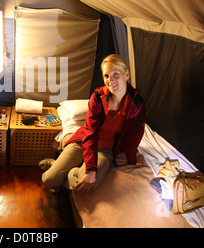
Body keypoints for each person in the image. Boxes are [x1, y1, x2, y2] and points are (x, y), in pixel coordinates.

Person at [41, 54, 146, 194]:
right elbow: (90, 133)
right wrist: (90, 170)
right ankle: (58, 170)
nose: (111, 80)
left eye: (116, 74)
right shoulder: (97, 98)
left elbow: (135, 134)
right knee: (49, 180)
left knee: (85, 184)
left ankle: (63, 171)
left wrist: (131, 158)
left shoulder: (136, 104)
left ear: (127, 74)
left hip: (105, 151)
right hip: (84, 142)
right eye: (106, 76)